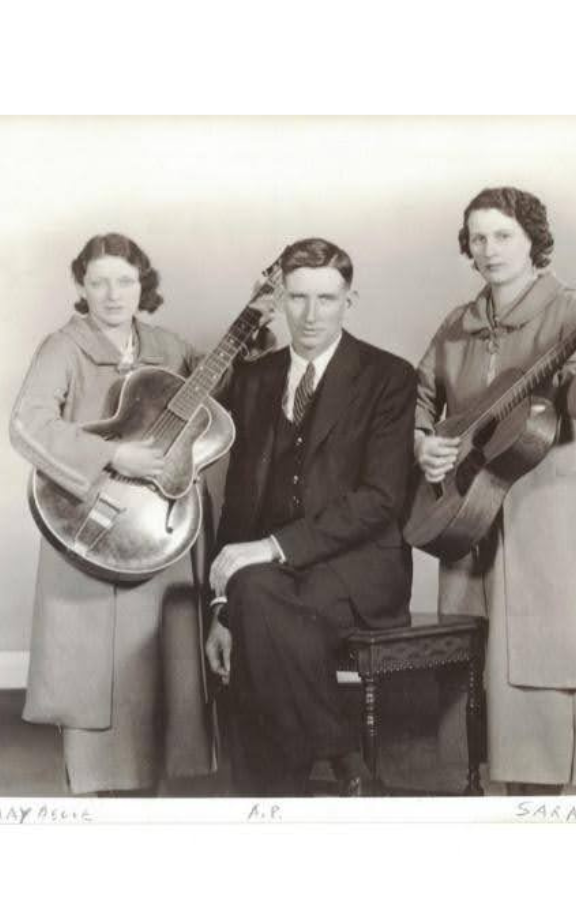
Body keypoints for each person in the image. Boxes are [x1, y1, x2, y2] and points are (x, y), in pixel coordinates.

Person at [415, 186, 576, 795]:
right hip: (466, 509)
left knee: (540, 662)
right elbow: (422, 397)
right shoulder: (458, 322)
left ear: (533, 240)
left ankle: (539, 803)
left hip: (544, 514)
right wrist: (422, 442)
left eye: (503, 235)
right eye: (478, 238)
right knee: (467, 658)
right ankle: (473, 786)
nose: (489, 249)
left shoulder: (569, 311)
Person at [203, 237, 417, 797]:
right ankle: (341, 759)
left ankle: (268, 799)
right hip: (270, 581)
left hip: (359, 568)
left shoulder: (389, 377)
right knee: (253, 604)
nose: (311, 314)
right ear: (279, 298)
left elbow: (380, 500)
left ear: (350, 299)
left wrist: (271, 551)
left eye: (327, 298)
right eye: (297, 298)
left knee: (259, 607)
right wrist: (220, 608)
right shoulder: (254, 379)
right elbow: (239, 503)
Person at [8, 233, 215, 796]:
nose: (112, 293)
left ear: (143, 285)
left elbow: (213, 413)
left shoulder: (169, 347)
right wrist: (111, 454)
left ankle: (147, 804)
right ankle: (96, 804)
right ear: (81, 286)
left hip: (154, 529)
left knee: (157, 667)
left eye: (124, 280)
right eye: (98, 281)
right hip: (90, 525)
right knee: (93, 678)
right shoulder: (63, 348)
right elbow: (27, 423)